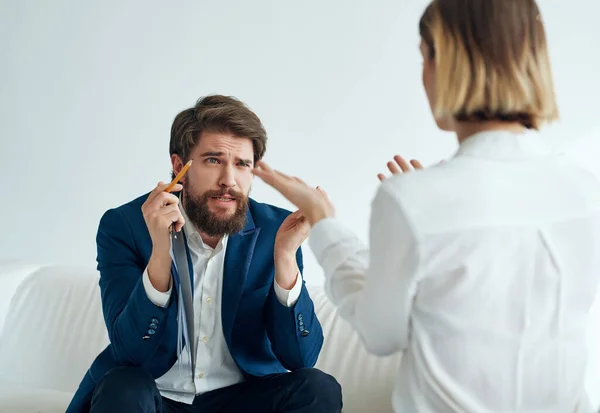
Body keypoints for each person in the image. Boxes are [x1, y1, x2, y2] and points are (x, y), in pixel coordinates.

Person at [252, 0, 600, 412]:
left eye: (425, 57)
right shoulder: (584, 189)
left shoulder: (412, 198)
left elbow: (380, 335)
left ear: (451, 62)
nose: (424, 76)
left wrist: (327, 225)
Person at [66, 95, 342, 413]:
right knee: (123, 386)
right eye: (213, 160)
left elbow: (301, 358)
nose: (229, 180)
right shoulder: (125, 225)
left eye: (242, 164)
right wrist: (160, 254)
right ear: (178, 166)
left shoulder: (277, 229)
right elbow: (130, 353)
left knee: (318, 388)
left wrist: (285, 256)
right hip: (154, 397)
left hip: (241, 399)